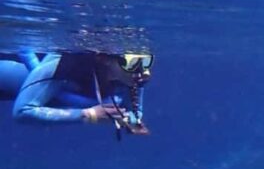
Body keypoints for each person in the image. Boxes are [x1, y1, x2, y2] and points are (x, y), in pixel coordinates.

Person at [0, 51, 152, 136]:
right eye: (134, 63)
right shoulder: (67, 61)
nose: (145, 73)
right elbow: (21, 112)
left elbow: (134, 112)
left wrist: (130, 121)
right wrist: (89, 114)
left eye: (146, 61)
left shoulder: (132, 78)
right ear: (104, 59)